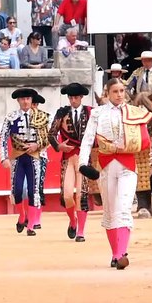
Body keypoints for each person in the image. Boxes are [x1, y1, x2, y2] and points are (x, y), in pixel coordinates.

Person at [79, 78, 152, 270]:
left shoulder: (134, 112)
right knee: (110, 211)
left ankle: (122, 253)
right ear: (107, 93)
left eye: (122, 91)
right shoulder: (97, 113)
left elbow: (144, 141)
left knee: (123, 209)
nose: (120, 95)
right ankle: (115, 254)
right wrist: (82, 163)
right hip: (106, 167)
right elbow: (88, 140)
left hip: (128, 166)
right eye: (116, 91)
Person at [0, 88, 51, 237]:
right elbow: (2, 138)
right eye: (22, 99)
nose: (25, 101)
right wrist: (4, 157)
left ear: (31, 100)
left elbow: (50, 137)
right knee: (17, 191)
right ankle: (22, 216)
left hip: (35, 157)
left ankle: (31, 225)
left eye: (27, 99)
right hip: (17, 157)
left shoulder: (43, 116)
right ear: (18, 101)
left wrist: (37, 146)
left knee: (34, 191)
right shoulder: (11, 117)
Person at [49, 83, 94, 242]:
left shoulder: (91, 112)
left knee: (81, 194)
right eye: (71, 97)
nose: (73, 100)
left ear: (81, 97)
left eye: (76, 97)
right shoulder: (62, 113)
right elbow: (51, 135)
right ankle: (73, 220)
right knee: (67, 194)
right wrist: (59, 146)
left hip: (84, 157)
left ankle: (81, 231)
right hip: (68, 158)